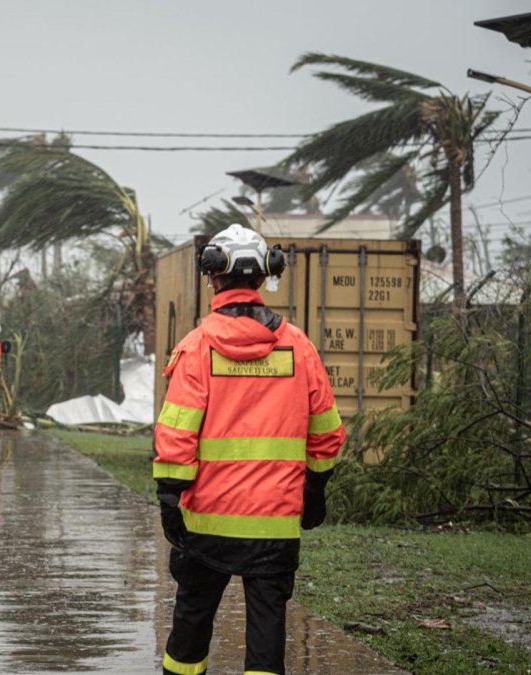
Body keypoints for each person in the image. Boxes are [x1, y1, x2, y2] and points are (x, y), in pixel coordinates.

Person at [153, 224, 345, 675]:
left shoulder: (196, 349)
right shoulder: (299, 347)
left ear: (213, 278)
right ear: (264, 278)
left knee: (191, 626)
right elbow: (327, 433)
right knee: (266, 636)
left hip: (205, 522)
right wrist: (314, 491)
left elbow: (177, 433)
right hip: (275, 525)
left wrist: (169, 500)